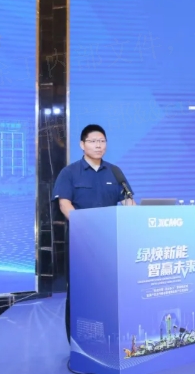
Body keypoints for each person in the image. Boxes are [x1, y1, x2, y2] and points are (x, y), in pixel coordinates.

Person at [52, 124, 135, 343]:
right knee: (80, 291)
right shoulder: (69, 172)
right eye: (93, 141)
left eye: (102, 141)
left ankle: (110, 338)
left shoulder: (115, 172)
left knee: (110, 290)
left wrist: (133, 212)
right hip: (82, 243)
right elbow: (64, 205)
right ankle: (76, 343)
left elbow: (128, 201)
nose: (99, 145)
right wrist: (85, 226)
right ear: (82, 144)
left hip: (110, 242)